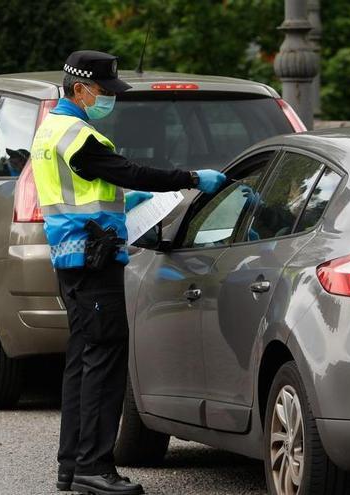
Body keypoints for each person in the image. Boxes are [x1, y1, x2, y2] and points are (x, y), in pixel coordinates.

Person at [32, 50, 226, 495]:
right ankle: (95, 468)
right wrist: (192, 177)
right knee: (103, 364)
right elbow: (127, 170)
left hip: (75, 260)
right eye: (104, 92)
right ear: (80, 89)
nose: (109, 100)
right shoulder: (76, 135)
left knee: (83, 364)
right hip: (93, 262)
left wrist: (127, 204)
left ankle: (72, 466)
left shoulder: (51, 130)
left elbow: (99, 185)